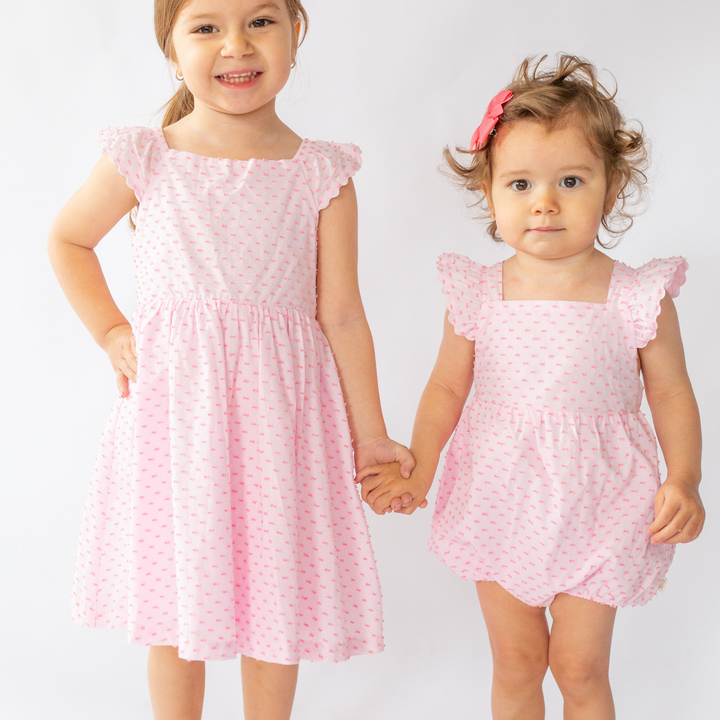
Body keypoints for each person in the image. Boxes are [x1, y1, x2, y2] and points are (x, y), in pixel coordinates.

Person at [46, 1, 414, 718]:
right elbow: (67, 239)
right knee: (176, 594)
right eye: (206, 26)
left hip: (283, 421)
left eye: (261, 22)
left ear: (294, 32)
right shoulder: (146, 155)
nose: (236, 45)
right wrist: (112, 330)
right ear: (172, 46)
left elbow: (341, 314)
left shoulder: (322, 172)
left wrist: (370, 433)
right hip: (177, 417)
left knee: (275, 597)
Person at [357, 55, 704, 719]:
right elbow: (444, 392)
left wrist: (683, 477)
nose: (544, 201)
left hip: (603, 503)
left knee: (578, 668)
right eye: (520, 183)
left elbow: (672, 394)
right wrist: (420, 468)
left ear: (611, 184)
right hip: (500, 496)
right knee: (517, 664)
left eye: (570, 180)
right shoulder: (479, 291)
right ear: (488, 191)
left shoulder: (638, 295)